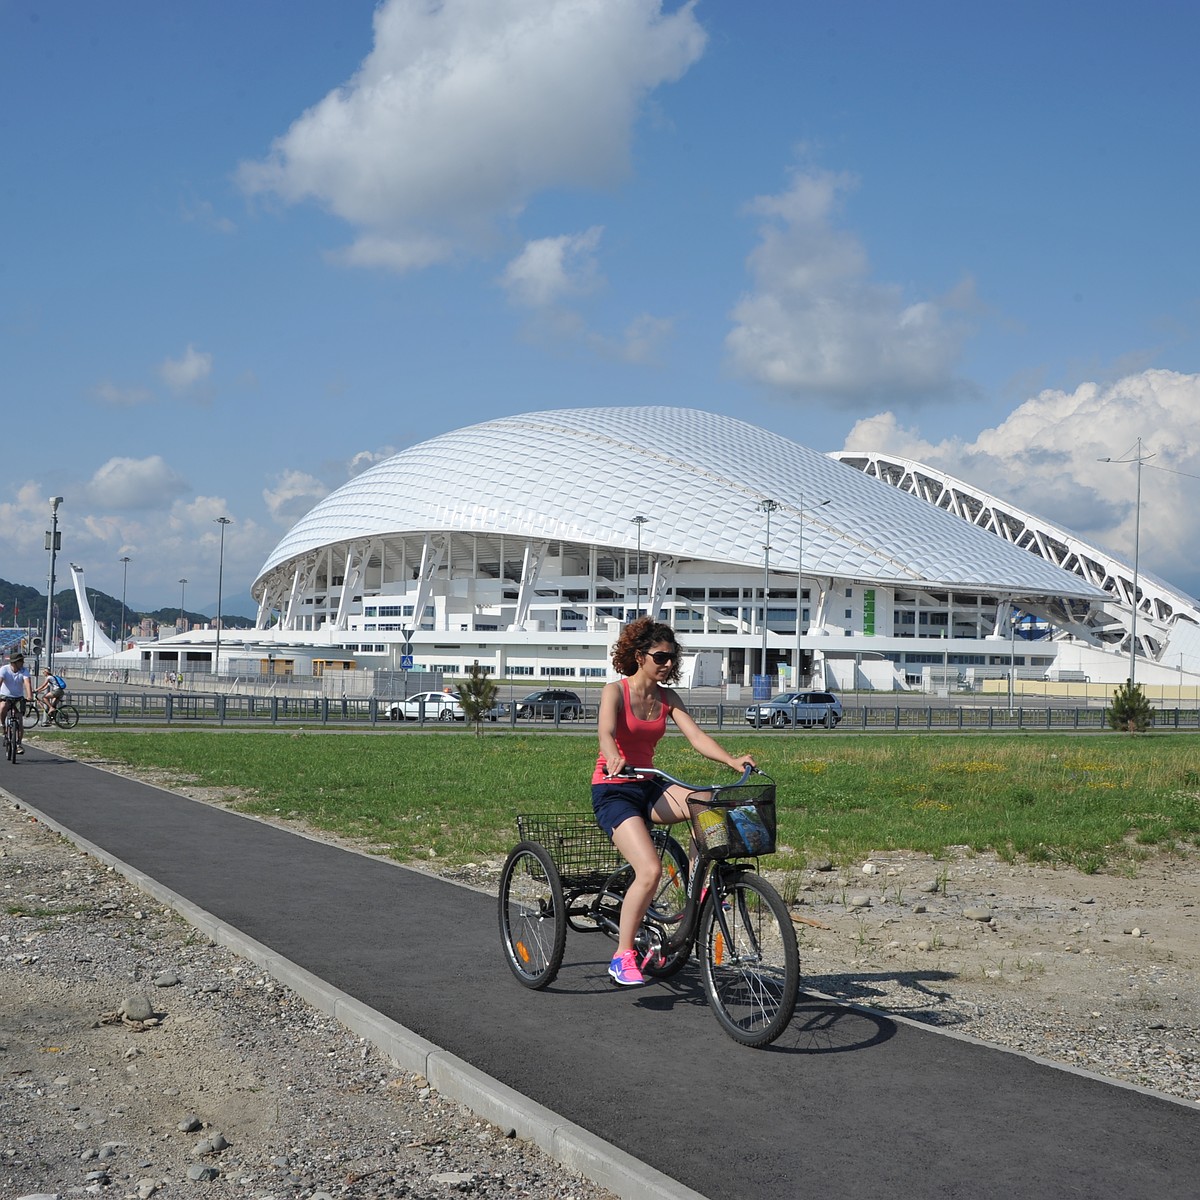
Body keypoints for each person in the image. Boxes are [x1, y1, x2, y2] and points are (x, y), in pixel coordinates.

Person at [592, 617, 756, 986]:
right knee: (649, 871)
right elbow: (604, 732)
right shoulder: (614, 692)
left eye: (672, 657)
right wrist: (613, 755)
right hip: (614, 788)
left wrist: (731, 760)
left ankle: (699, 886)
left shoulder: (668, 698)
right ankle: (622, 955)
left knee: (708, 802)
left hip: (649, 784)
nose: (668, 664)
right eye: (661, 657)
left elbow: (696, 737)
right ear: (640, 656)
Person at [0, 651, 33, 754]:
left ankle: (18, 744)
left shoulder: (23, 671)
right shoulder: (4, 669)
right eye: (20, 661)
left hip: (18, 697)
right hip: (5, 695)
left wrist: (29, 696)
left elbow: (27, 683)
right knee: (3, 706)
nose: (22, 663)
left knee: (19, 720)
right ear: (14, 663)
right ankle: (3, 725)